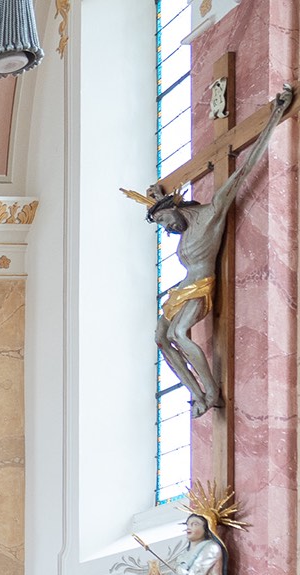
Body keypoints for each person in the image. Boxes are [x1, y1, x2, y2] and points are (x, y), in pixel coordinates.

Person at [129, 85, 294, 417]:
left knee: (178, 332)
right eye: (161, 224)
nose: (167, 229)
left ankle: (213, 392)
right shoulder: (184, 226)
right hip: (183, 289)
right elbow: (163, 200)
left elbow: (244, 170)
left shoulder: (211, 213)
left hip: (202, 285)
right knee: (161, 337)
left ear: (174, 207)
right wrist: (156, 193)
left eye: (164, 220)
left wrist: (275, 114)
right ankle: (197, 393)